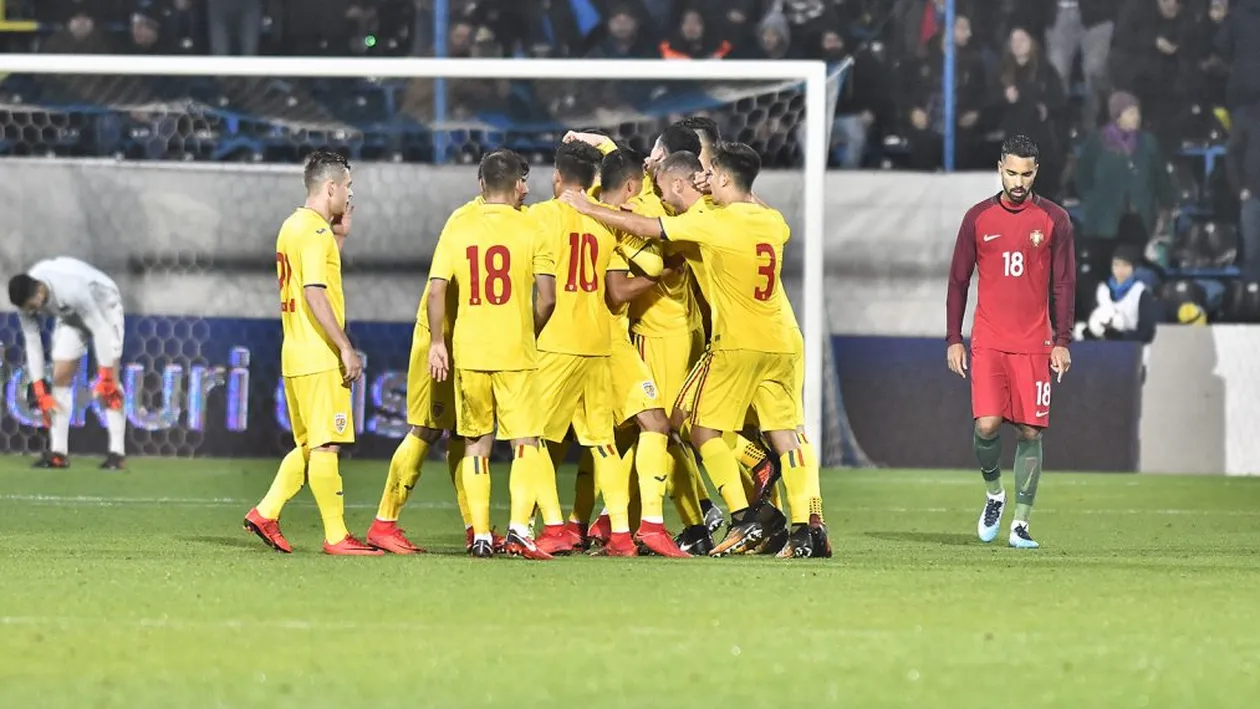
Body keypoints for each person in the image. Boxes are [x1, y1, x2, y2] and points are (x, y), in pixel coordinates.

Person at [560, 143, 829, 559]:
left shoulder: (712, 222)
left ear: (719, 178)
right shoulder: (772, 222)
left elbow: (652, 229)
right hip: (785, 342)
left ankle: (745, 518)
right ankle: (807, 529)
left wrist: (587, 208)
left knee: (690, 423)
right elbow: (747, 199)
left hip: (738, 343)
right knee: (788, 435)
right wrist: (726, 188)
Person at [945, 134, 1077, 550]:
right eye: (1011, 172)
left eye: (1026, 174)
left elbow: (1064, 284)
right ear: (999, 167)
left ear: (1036, 171)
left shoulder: (1055, 219)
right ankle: (994, 494)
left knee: (1031, 433)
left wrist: (1062, 340)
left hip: (1035, 342)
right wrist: (954, 337)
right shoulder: (977, 218)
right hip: (988, 340)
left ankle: (1020, 522)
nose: (1018, 182)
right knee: (986, 425)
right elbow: (958, 281)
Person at [244, 150, 379, 556]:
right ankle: (336, 535)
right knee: (326, 446)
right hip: (319, 355)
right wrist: (345, 347)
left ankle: (266, 513)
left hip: (294, 353)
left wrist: (339, 237)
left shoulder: (293, 227)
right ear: (331, 187)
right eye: (348, 188)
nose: (349, 195)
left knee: (309, 445)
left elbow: (307, 276)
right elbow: (314, 292)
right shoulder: (315, 233)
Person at [426, 149, 559, 561]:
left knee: (476, 444)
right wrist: (529, 329)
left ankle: (481, 534)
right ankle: (520, 528)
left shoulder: (459, 222)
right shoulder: (532, 227)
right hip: (515, 350)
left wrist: (436, 342)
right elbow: (549, 298)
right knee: (525, 442)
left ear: (481, 184)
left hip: (469, 349)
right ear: (519, 184)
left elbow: (436, 289)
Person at [8, 257, 128, 470]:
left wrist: (106, 375)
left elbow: (100, 328)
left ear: (39, 291)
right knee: (60, 377)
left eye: (31, 306)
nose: (31, 312)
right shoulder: (24, 300)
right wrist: (39, 388)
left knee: (110, 384)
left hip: (104, 306)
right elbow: (32, 342)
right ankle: (58, 453)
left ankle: (117, 454)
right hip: (72, 316)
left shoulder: (70, 287)